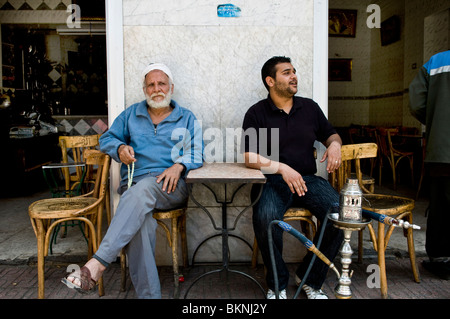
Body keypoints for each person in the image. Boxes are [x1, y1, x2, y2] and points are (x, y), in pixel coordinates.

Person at [61, 63, 203, 298]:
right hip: (136, 186)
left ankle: (97, 264)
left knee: (142, 191)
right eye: (151, 84)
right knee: (140, 224)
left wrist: (179, 166)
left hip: (171, 187)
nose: (156, 88)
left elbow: (198, 152)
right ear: (145, 89)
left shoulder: (186, 117)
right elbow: (106, 138)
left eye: (161, 84)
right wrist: (119, 147)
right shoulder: (131, 114)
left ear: (171, 88)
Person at [241, 56, 344, 299]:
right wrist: (281, 168)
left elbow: (331, 135)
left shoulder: (309, 107)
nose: (294, 76)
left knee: (338, 214)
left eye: (294, 71)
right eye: (286, 72)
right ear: (270, 81)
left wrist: (336, 145)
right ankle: (277, 286)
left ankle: (311, 278)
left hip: (307, 179)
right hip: (272, 181)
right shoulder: (256, 113)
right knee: (266, 217)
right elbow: (248, 156)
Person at [409, 50, 450, 280]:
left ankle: (441, 260)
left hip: (441, 149)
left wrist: (436, 120)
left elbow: (416, 104)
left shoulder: (436, 62)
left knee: (440, 207)